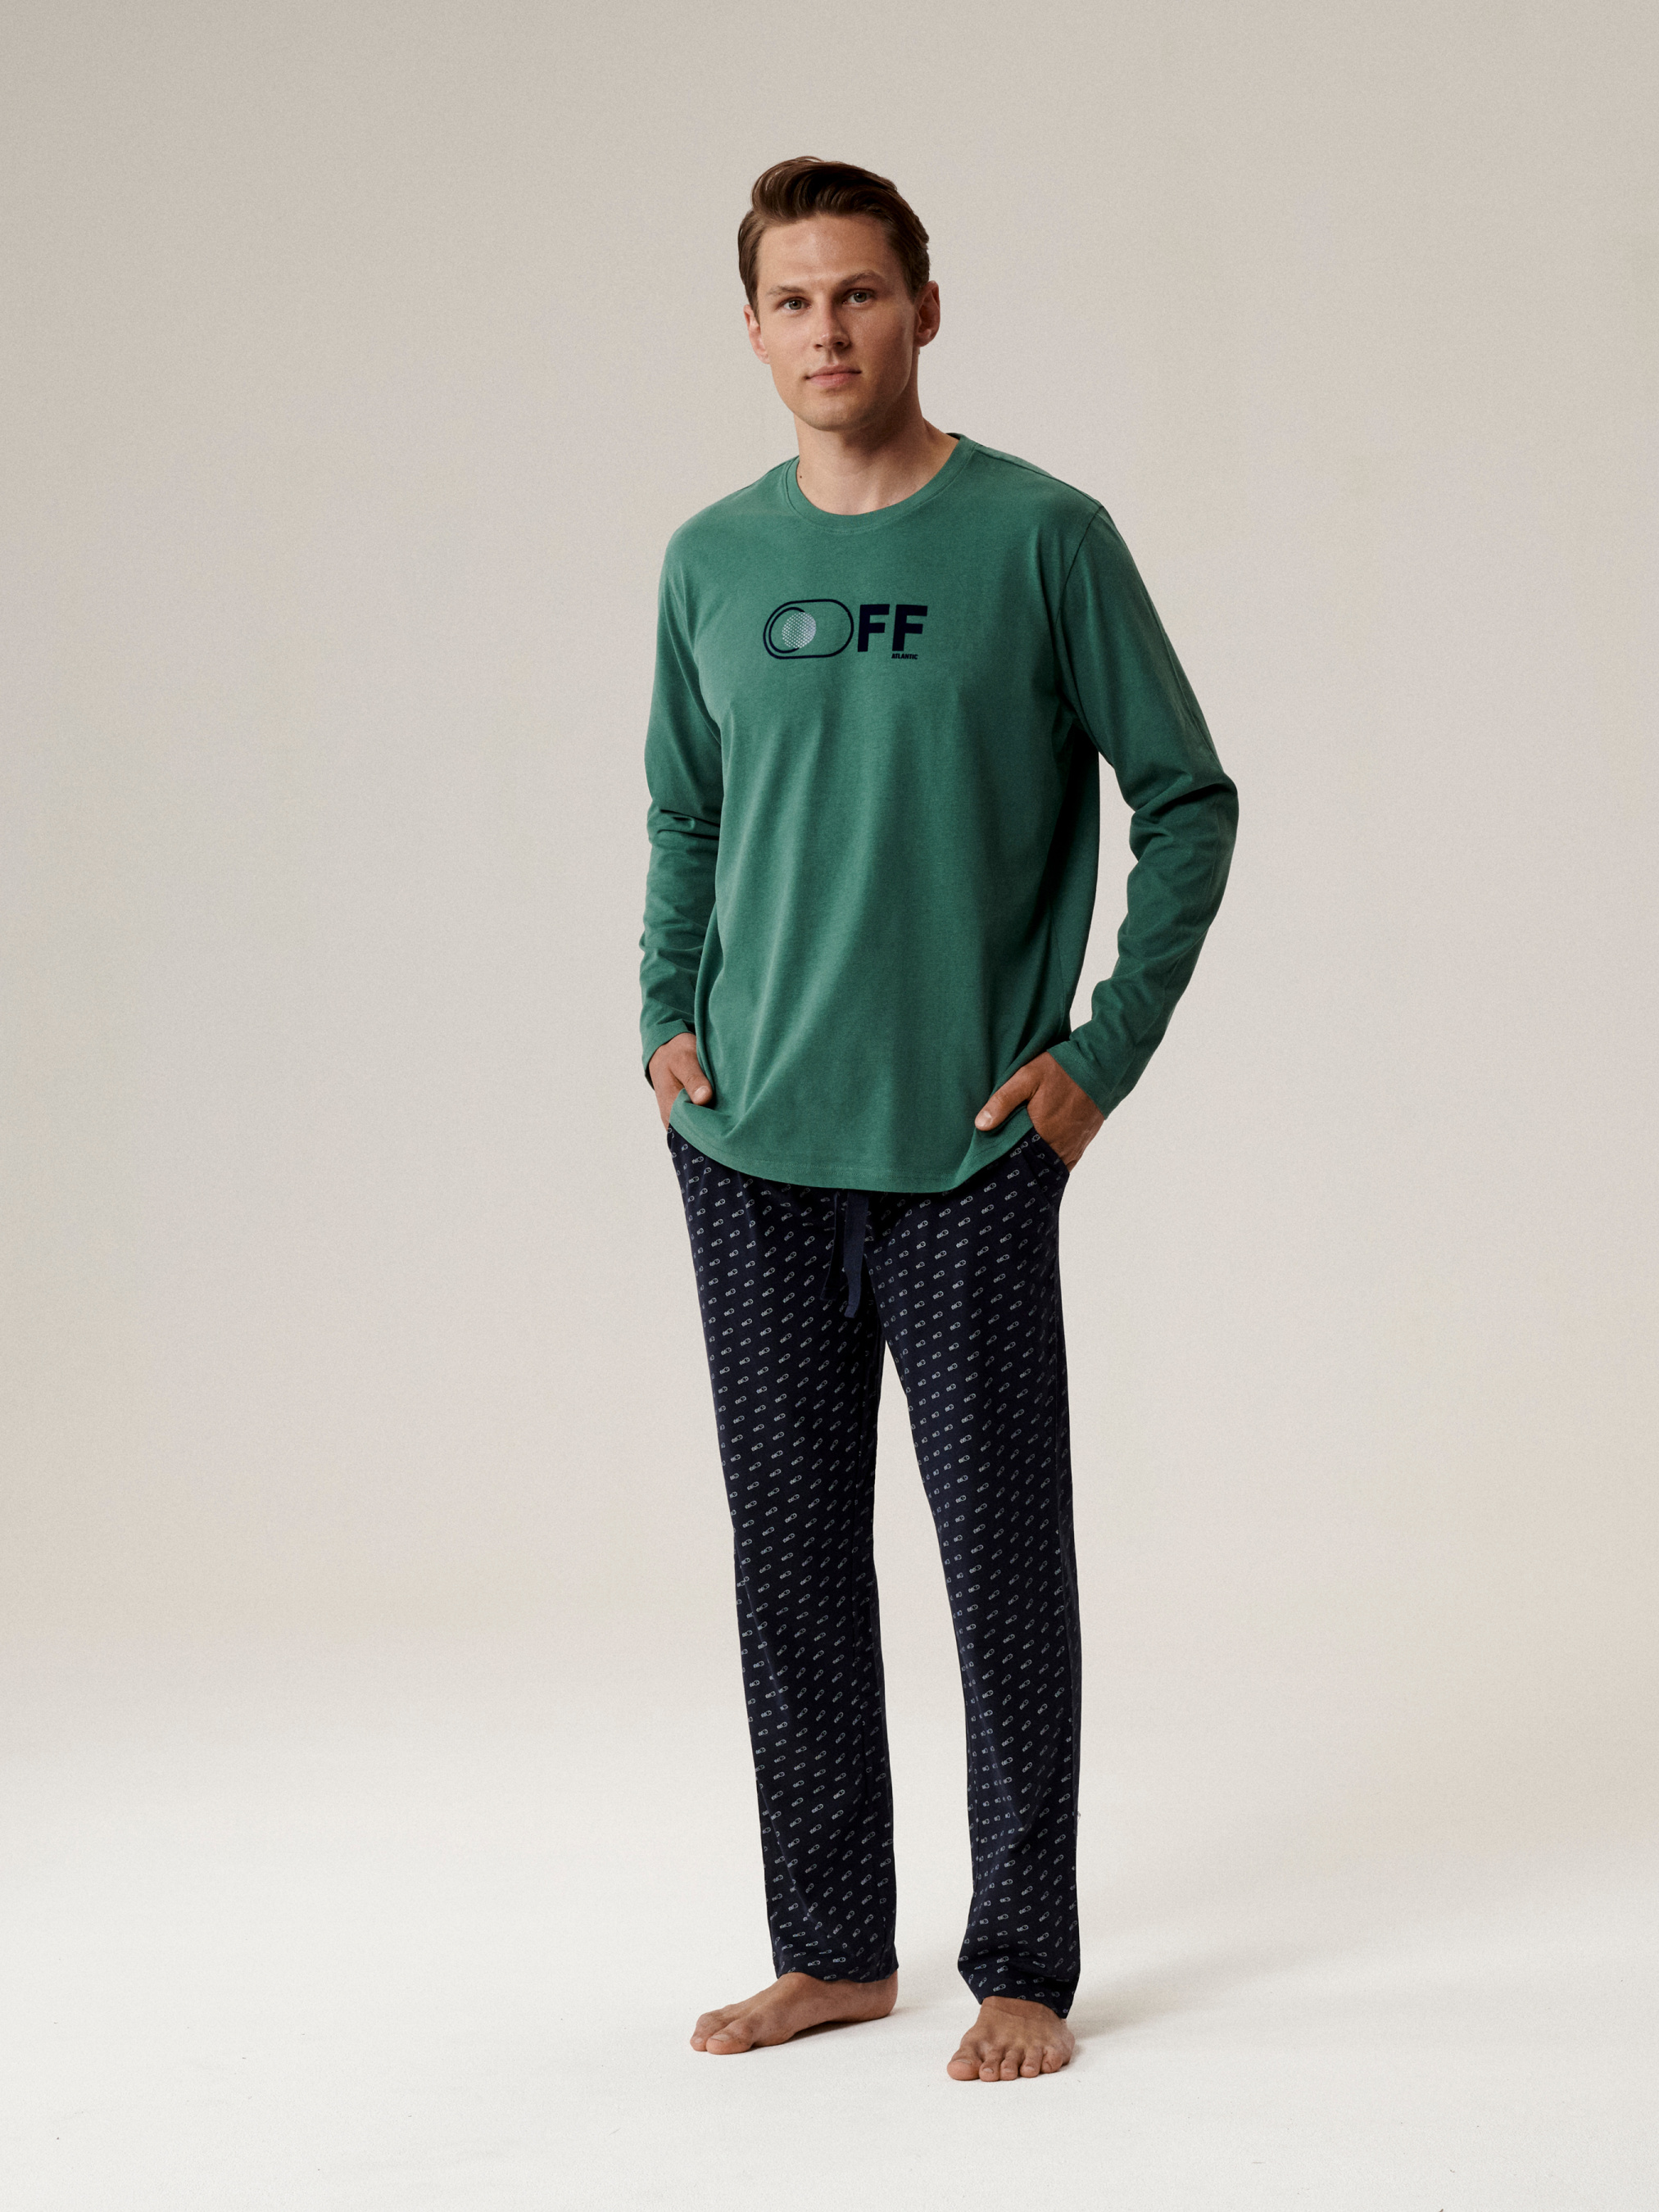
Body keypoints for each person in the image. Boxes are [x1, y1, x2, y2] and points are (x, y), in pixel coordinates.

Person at [638, 156, 1237, 2083]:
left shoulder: (1040, 537)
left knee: (999, 1567)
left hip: (970, 1150)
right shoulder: (709, 561)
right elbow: (683, 810)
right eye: (791, 300)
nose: (826, 330)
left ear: (922, 308)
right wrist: (662, 1016)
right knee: (791, 1567)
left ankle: (1021, 1966)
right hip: (747, 1148)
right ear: (751, 330)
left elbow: (1186, 798)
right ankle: (828, 1950)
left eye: (859, 294)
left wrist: (1097, 1057)